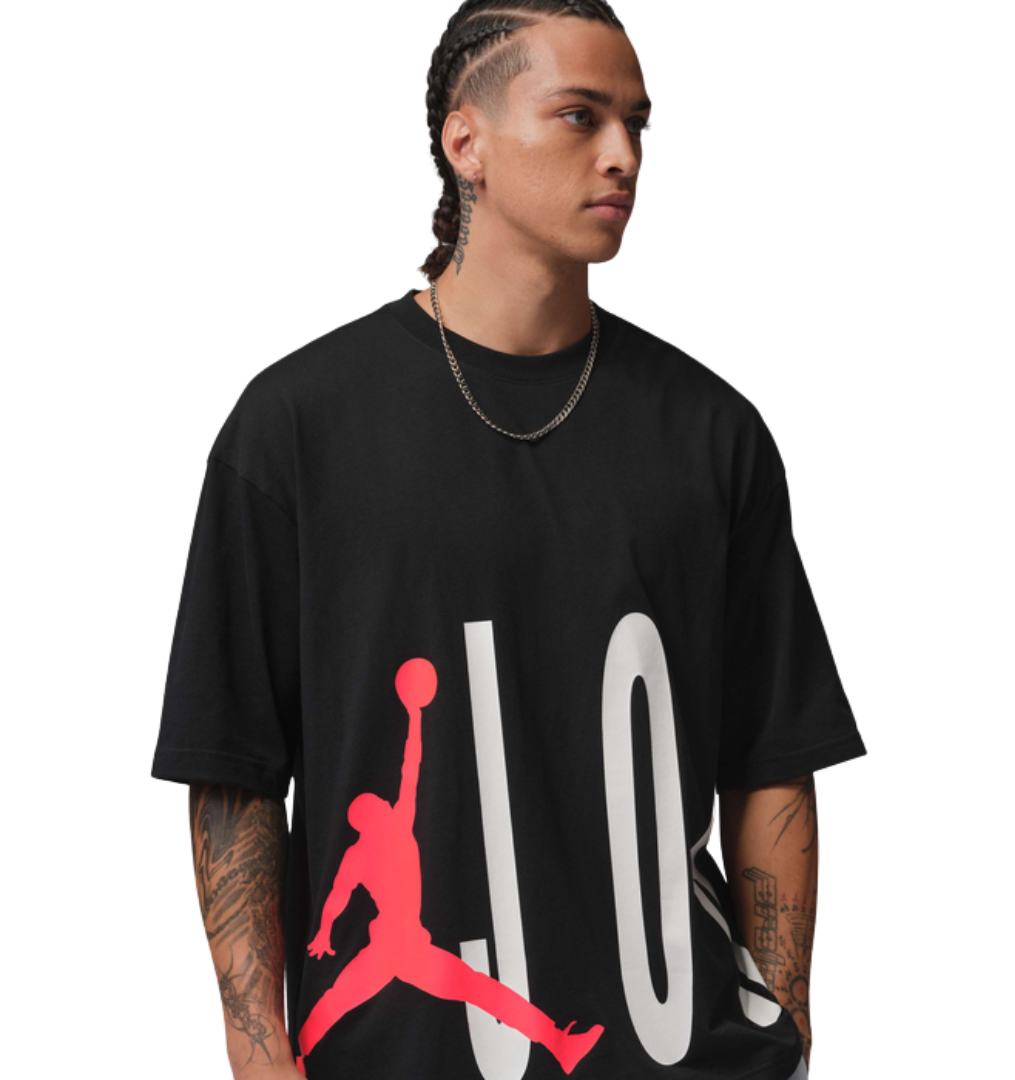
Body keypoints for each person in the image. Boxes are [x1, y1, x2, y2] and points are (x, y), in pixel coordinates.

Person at [151, 3, 868, 1078]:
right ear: (466, 142)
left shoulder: (712, 435)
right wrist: (256, 1054)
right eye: (580, 116)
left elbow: (772, 759)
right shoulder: (298, 428)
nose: (623, 155)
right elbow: (234, 769)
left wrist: (788, 1032)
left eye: (637, 123)